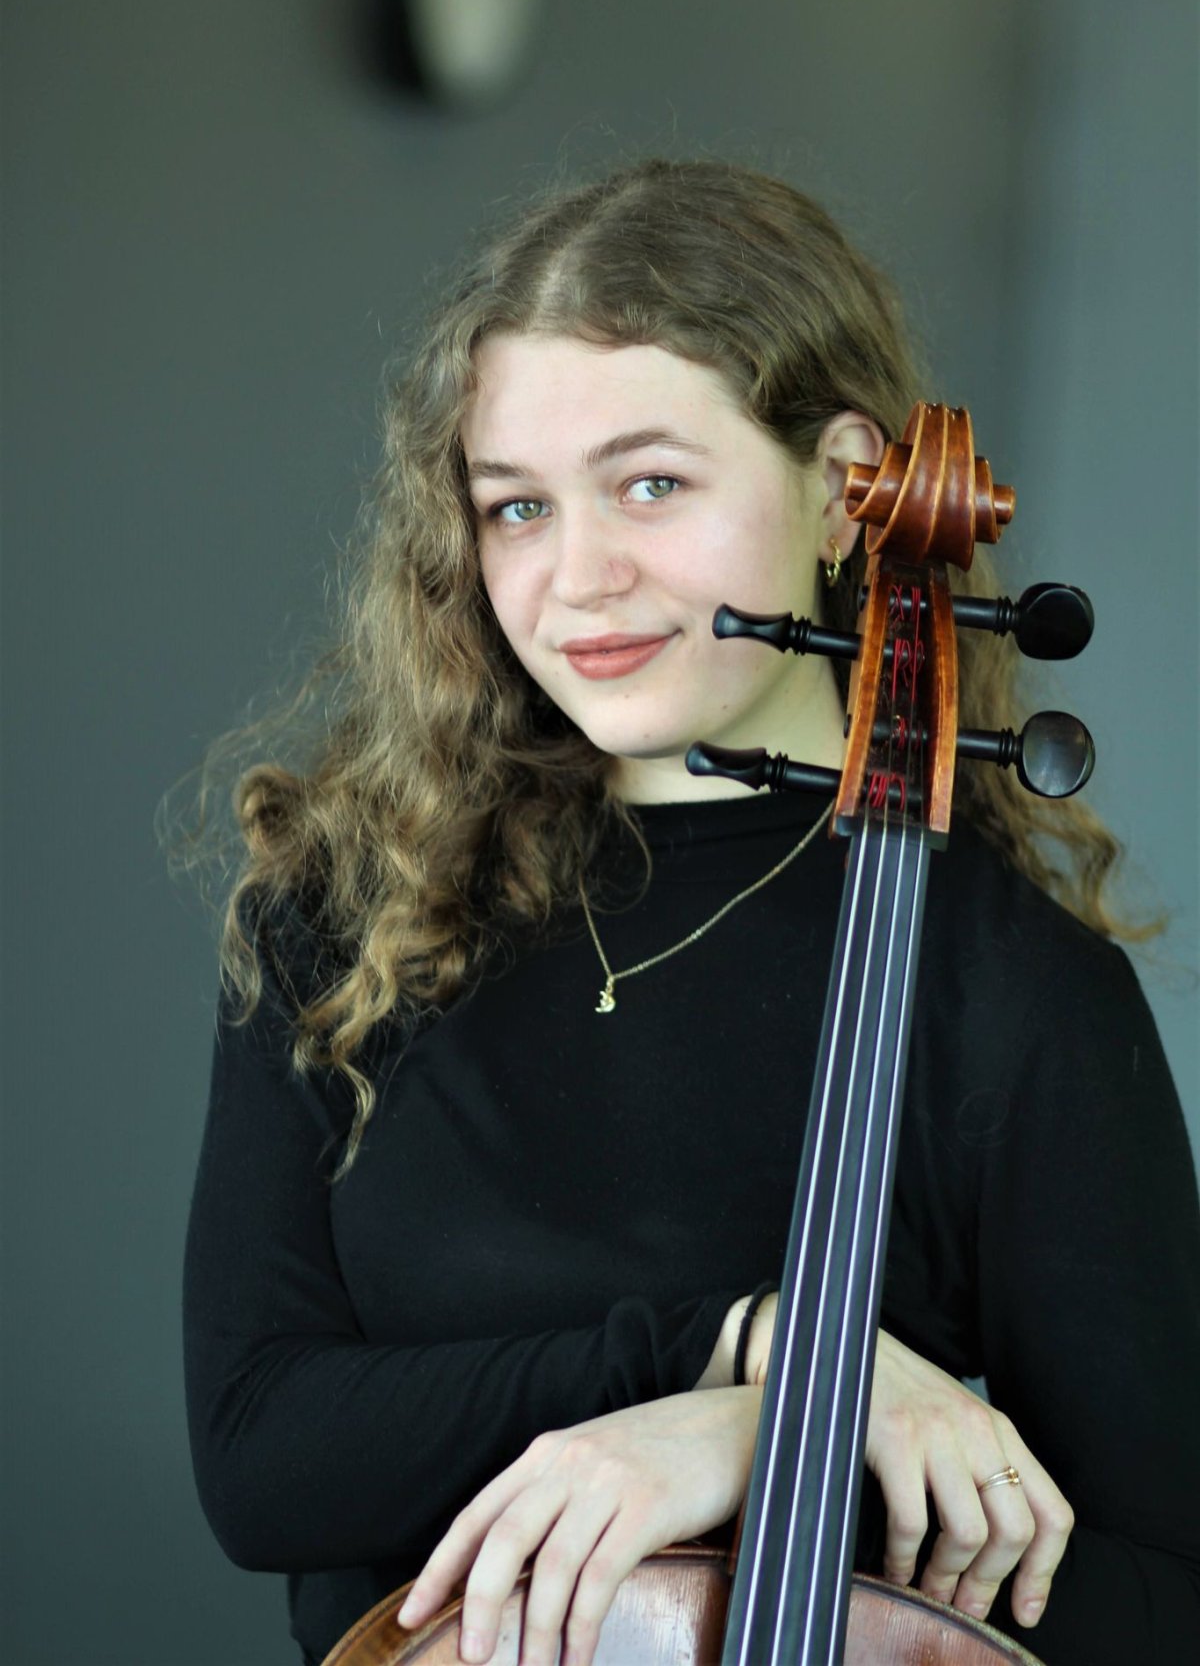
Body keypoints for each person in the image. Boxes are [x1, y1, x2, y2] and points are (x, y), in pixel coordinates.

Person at [179, 158, 1200, 1666]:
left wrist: (758, 1453)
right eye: (517, 507)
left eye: (651, 483)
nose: (578, 577)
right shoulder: (346, 913)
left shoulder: (1010, 993)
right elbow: (260, 1460)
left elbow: (1166, 1599)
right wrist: (742, 1355)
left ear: (845, 487)